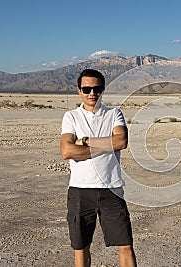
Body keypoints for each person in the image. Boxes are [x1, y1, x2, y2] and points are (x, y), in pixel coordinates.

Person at [60, 69, 137, 267]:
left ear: (103, 90)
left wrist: (85, 141)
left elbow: (121, 141)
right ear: (79, 91)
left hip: (112, 189)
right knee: (81, 247)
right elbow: (67, 151)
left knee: (125, 244)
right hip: (80, 190)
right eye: (87, 89)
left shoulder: (114, 114)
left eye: (97, 88)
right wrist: (106, 146)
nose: (92, 93)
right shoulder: (71, 117)